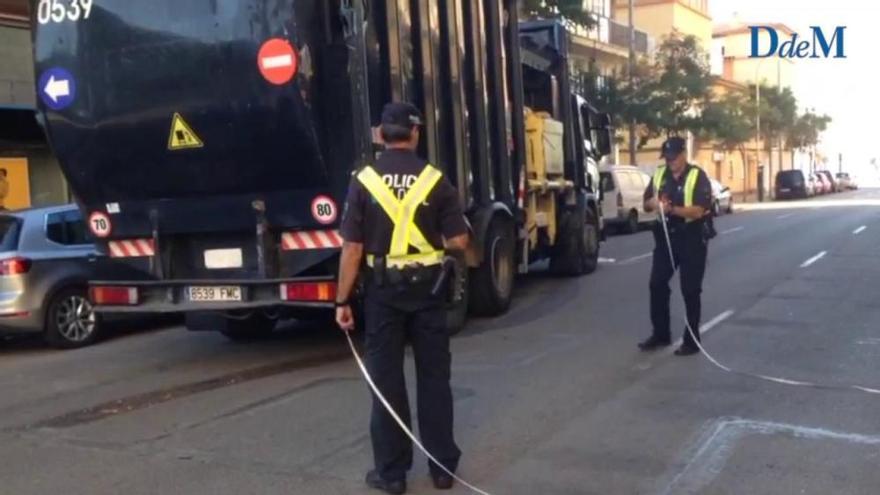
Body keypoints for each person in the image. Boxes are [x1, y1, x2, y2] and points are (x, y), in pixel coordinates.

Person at [335, 102, 470, 494]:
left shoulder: (364, 181)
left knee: (387, 382)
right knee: (434, 379)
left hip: (382, 294)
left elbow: (352, 250)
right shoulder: (436, 181)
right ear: (415, 133)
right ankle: (443, 469)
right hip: (428, 293)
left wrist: (342, 301)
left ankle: (392, 475)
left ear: (380, 134)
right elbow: (459, 240)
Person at [638, 136, 712, 356]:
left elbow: (699, 210)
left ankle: (692, 341)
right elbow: (646, 203)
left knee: (690, 290)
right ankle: (661, 334)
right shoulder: (660, 174)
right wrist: (655, 204)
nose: (670, 162)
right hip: (666, 238)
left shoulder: (697, 176)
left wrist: (673, 210)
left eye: (673, 157)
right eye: (667, 158)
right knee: (656, 284)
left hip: (692, 238)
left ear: (683, 155)